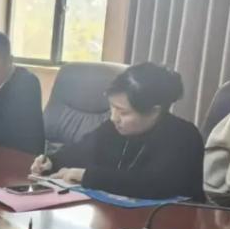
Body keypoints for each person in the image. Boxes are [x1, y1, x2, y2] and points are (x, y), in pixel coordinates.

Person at [31, 62, 204, 200]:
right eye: (112, 107)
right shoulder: (114, 128)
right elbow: (81, 151)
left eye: (123, 112)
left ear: (154, 112)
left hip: (173, 225)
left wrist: (86, 176)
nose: (114, 117)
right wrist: (52, 161)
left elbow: (153, 184)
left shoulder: (184, 137)